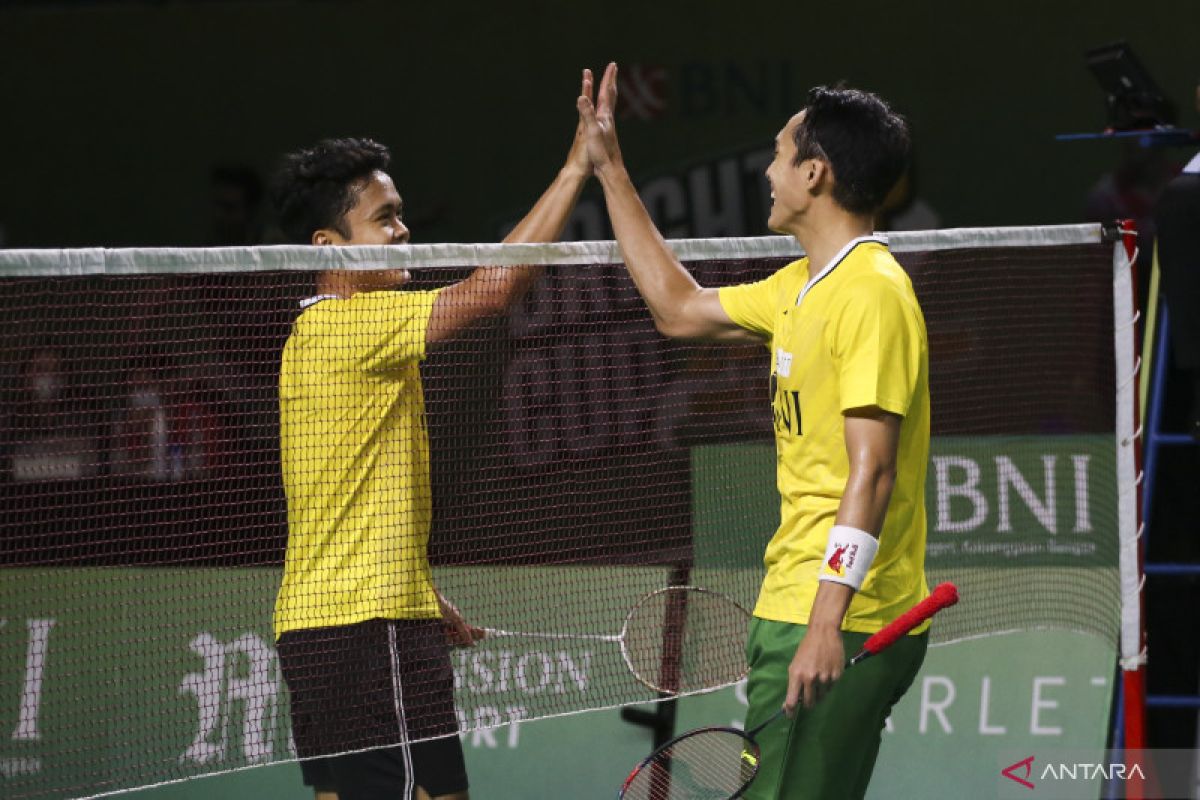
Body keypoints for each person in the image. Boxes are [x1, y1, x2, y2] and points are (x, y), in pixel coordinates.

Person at [578, 64, 930, 799]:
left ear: (815, 172)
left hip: (841, 614)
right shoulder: (801, 285)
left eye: (777, 156)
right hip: (797, 602)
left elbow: (873, 472)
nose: (767, 172)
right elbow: (678, 309)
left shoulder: (870, 294)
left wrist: (826, 621)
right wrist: (609, 170)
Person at [271, 74, 593, 800]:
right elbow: (494, 287)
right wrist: (578, 168)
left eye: (401, 214)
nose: (402, 230)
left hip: (338, 623)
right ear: (333, 244)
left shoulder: (316, 332)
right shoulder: (350, 325)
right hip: (366, 627)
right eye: (383, 219)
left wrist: (422, 594)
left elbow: (345, 494)